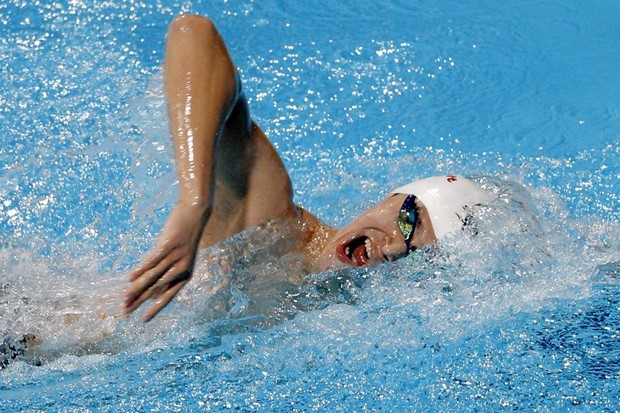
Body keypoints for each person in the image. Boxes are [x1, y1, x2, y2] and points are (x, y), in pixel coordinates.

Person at [123, 15, 490, 322]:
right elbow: (193, 34)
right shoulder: (270, 229)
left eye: (414, 260)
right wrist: (194, 203)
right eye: (409, 220)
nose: (394, 248)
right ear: (394, 195)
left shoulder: (328, 316)